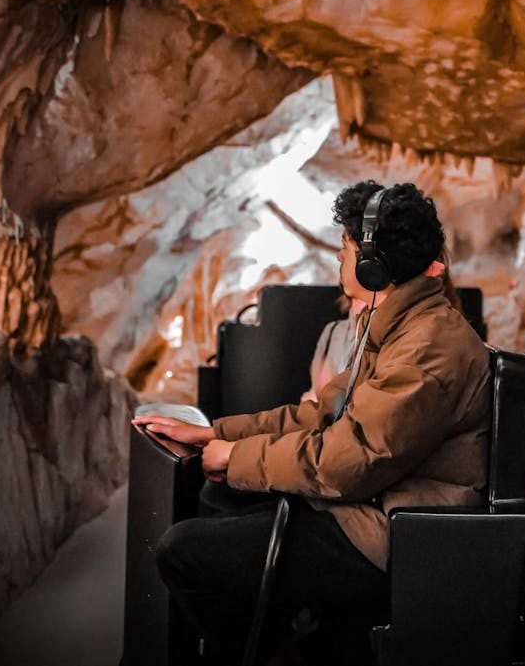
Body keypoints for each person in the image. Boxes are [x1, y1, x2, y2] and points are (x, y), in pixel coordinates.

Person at [134, 180, 490, 663]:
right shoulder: (398, 327)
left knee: (185, 552)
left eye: (345, 250)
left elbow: (350, 460)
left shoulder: (426, 347)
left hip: (394, 532)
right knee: (219, 494)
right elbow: (323, 412)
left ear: (373, 264)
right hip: (373, 504)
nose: (340, 263)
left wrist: (237, 457)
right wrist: (217, 434)